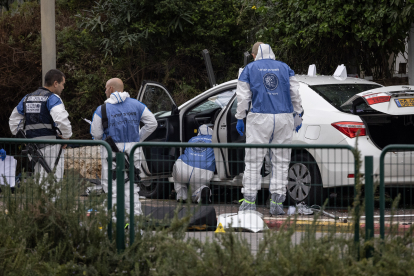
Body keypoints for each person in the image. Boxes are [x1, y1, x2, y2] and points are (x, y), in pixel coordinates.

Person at [235, 42, 303, 215]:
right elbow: (295, 93)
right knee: (281, 161)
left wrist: (240, 117)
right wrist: (298, 114)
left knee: (253, 160)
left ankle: (249, 202)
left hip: (259, 118)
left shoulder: (248, 69)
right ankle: (276, 204)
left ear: (254, 54)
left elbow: (243, 97)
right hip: (284, 117)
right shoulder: (285, 68)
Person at [90, 78, 157, 216]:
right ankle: (134, 223)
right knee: (132, 188)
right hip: (133, 151)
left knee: (113, 188)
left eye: (105, 88)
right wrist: (138, 138)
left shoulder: (102, 109)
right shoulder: (137, 105)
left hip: (111, 152)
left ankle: (115, 223)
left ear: (111, 89)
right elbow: (152, 123)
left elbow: (96, 134)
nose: (105, 91)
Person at [9, 69, 72, 183]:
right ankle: (52, 201)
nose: (63, 88)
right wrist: (66, 136)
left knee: (39, 181)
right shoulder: (53, 98)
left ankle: (41, 201)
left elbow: (14, 121)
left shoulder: (27, 98)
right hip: (51, 147)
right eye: (63, 84)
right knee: (53, 182)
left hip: (32, 149)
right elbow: (61, 120)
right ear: (55, 83)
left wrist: (21, 137)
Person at [172, 124, 215, 204]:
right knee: (198, 188)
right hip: (202, 171)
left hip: (183, 168)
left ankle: (182, 195)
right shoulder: (214, 140)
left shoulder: (192, 139)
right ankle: (201, 192)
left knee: (178, 179)